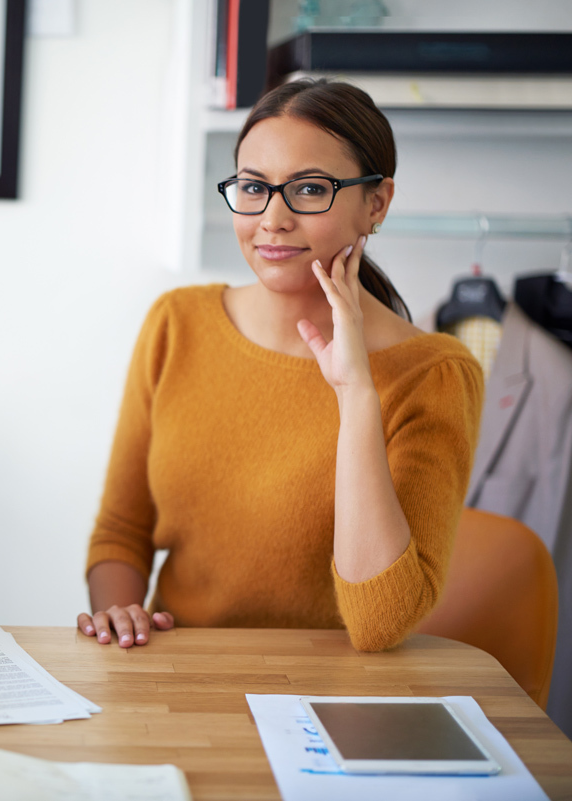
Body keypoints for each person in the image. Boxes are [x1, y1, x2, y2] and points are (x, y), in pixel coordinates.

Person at [78, 79, 483, 653]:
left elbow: (379, 624)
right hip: (178, 680)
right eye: (253, 188)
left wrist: (356, 394)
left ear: (376, 203)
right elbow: (122, 531)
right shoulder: (177, 324)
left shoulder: (434, 375)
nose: (272, 218)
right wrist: (119, 617)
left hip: (328, 702)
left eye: (310, 189)